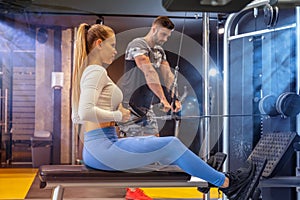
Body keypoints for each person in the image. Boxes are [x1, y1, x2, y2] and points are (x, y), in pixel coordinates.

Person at [71, 22, 255, 200]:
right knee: (171, 145)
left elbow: (77, 116)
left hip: (100, 146)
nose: (115, 51)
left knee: (159, 145)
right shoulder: (95, 71)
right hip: (102, 149)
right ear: (99, 44)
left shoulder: (89, 71)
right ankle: (228, 184)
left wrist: (115, 110)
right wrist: (118, 115)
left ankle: (205, 173)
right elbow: (85, 112)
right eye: (112, 45)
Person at [120, 16, 181, 138]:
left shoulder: (159, 51)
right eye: (163, 34)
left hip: (147, 106)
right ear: (154, 29)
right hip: (130, 106)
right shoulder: (138, 44)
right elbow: (149, 72)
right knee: (134, 148)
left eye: (167, 36)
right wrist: (163, 99)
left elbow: (168, 75)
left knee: (155, 143)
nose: (165, 39)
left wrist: (174, 99)